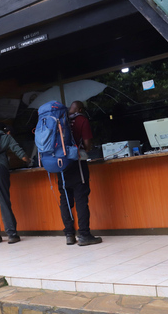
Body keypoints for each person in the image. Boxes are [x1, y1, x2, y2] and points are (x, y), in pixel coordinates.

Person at [58, 100, 103, 246]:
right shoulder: (81, 120)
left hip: (60, 166)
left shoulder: (59, 121)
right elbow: (88, 144)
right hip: (77, 164)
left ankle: (69, 235)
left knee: (65, 200)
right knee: (81, 199)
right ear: (81, 109)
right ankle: (84, 235)